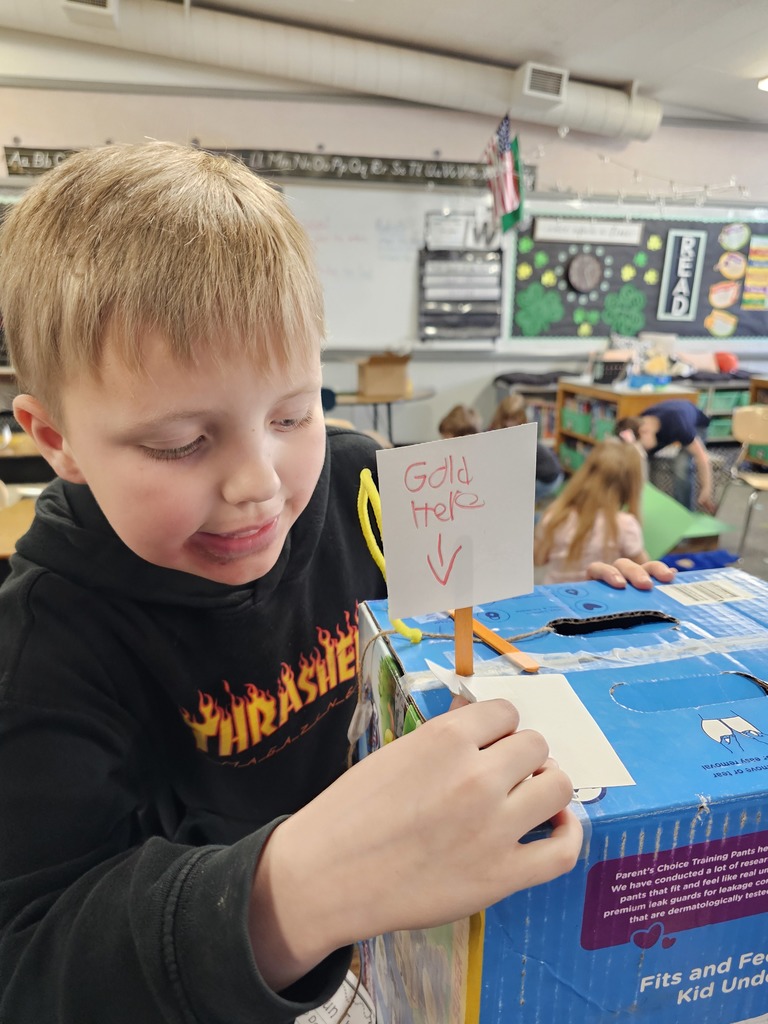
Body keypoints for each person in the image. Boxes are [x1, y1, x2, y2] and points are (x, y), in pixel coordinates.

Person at [0, 141, 583, 1024]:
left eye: (292, 412)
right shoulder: (41, 647)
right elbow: (30, 963)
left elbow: (498, 630)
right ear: (56, 440)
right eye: (178, 443)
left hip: (437, 931)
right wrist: (293, 894)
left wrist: (606, 616)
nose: (259, 484)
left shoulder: (364, 480)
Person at [534, 439, 649, 584]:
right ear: (631, 486)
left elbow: (539, 559)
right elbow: (642, 571)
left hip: (556, 598)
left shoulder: (557, 516)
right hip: (602, 602)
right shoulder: (626, 525)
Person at [615, 399, 714, 513]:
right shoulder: (641, 422)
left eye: (641, 446)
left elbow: (703, 458)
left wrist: (706, 489)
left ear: (644, 431)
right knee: (644, 458)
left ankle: (683, 512)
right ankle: (649, 501)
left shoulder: (679, 426)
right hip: (667, 423)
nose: (643, 450)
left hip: (697, 426)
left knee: (681, 465)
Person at [489, 394, 564, 503]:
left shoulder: (524, 439)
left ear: (522, 418)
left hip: (549, 478)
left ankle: (536, 519)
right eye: (506, 418)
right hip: (545, 473)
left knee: (521, 502)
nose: (509, 423)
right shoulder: (505, 432)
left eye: (513, 419)